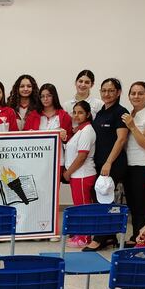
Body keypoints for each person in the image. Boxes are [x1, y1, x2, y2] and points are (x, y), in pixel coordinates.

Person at [83, 78, 129, 252]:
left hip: (113, 163)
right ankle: (109, 235)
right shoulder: (101, 112)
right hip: (100, 162)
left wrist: (109, 162)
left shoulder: (120, 112)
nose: (107, 94)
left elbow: (121, 139)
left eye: (111, 91)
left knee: (103, 198)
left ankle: (99, 238)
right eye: (104, 90)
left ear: (118, 92)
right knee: (100, 198)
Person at [119, 81, 145, 247]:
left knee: (142, 205)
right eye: (133, 93)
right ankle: (136, 235)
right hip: (129, 165)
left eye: (140, 93)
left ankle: (142, 239)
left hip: (143, 166)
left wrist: (132, 126)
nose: (136, 96)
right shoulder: (130, 113)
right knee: (132, 204)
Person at [62, 101, 97, 248]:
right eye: (74, 112)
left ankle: (85, 238)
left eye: (80, 112)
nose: (76, 115)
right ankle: (80, 234)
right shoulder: (79, 130)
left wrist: (68, 173)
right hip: (77, 175)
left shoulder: (87, 131)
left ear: (88, 114)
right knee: (79, 207)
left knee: (84, 208)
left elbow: (82, 156)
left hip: (83, 174)